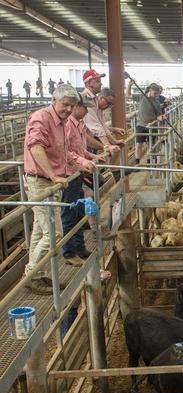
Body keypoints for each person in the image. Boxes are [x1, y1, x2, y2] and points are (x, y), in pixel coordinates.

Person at [23, 85, 82, 294]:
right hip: (41, 182)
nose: (68, 109)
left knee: (40, 231)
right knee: (54, 233)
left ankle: (37, 275)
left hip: (51, 182)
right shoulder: (41, 118)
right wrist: (52, 174)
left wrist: (80, 162)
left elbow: (65, 152)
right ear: (54, 100)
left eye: (71, 105)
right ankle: (31, 274)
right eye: (65, 104)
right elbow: (35, 147)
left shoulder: (63, 123)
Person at [62, 96, 104, 267]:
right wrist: (83, 162)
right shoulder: (67, 125)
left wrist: (93, 157)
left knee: (79, 211)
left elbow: (81, 149)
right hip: (69, 174)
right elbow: (66, 151)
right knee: (69, 212)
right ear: (77, 107)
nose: (87, 111)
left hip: (76, 172)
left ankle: (79, 247)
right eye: (85, 108)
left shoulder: (79, 125)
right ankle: (69, 252)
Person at [81, 70, 122, 159]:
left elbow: (101, 125)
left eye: (100, 81)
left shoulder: (94, 99)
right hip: (81, 141)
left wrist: (113, 141)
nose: (101, 84)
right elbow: (95, 126)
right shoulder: (86, 98)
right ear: (88, 83)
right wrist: (107, 146)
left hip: (86, 141)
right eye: (97, 81)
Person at [134, 82, 165, 163]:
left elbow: (158, 114)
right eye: (155, 93)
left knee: (151, 144)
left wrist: (160, 117)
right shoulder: (141, 97)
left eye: (157, 94)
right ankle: (137, 161)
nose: (156, 95)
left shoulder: (157, 102)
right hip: (141, 124)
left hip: (152, 125)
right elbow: (128, 95)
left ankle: (149, 159)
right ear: (150, 90)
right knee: (138, 144)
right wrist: (129, 85)